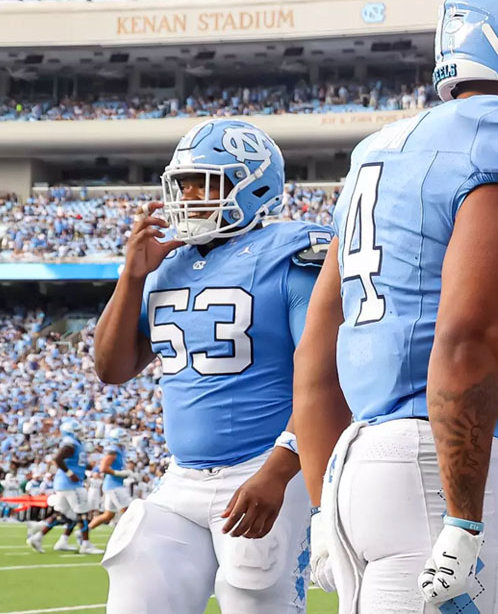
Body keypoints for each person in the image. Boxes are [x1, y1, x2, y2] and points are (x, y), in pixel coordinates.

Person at [293, 0, 498, 612]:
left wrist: (323, 505)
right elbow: (469, 336)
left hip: (358, 466)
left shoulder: (376, 151)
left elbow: (313, 359)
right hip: (437, 473)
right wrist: (464, 519)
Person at [92, 118, 326, 613]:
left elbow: (329, 377)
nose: (191, 195)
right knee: (137, 590)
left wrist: (280, 472)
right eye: (184, 183)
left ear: (255, 184)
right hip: (180, 479)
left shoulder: (294, 252)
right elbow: (112, 369)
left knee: (254, 592)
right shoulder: (167, 265)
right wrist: (131, 277)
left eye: (207, 182)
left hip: (262, 467)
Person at [27, 419, 102, 555]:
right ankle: (86, 545)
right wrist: (69, 473)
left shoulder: (76, 444)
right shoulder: (70, 444)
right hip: (70, 484)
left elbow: (80, 463)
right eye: (77, 431)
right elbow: (58, 459)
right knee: (82, 514)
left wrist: (94, 467)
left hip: (65, 484)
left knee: (63, 515)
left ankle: (40, 537)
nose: (81, 433)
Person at [89, 428, 133, 530]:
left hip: (113, 485)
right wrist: (119, 473)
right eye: (122, 437)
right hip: (114, 486)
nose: (125, 439)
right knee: (128, 512)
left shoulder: (119, 450)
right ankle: (128, 534)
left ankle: (83, 533)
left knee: (108, 515)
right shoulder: (113, 450)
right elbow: (103, 468)